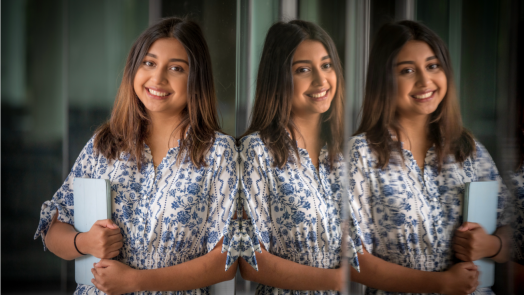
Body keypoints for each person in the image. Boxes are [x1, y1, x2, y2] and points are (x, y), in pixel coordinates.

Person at [34, 17, 238, 294]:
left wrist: (135, 281)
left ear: (196, 78)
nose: (158, 78)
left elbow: (226, 260)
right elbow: (52, 226)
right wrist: (84, 242)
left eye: (176, 68)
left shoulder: (218, 152)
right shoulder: (105, 144)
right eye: (149, 63)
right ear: (134, 68)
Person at [346, 20, 511, 294]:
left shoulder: (469, 148)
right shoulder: (361, 154)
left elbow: (512, 226)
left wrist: (494, 246)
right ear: (383, 80)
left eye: (433, 66)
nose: (425, 81)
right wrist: (441, 284)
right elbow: (351, 259)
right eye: (407, 71)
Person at [234, 20, 362, 294]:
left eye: (326, 66)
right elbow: (249, 259)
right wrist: (335, 281)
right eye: (303, 70)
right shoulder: (256, 151)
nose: (321, 80)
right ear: (278, 78)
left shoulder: (348, 155)